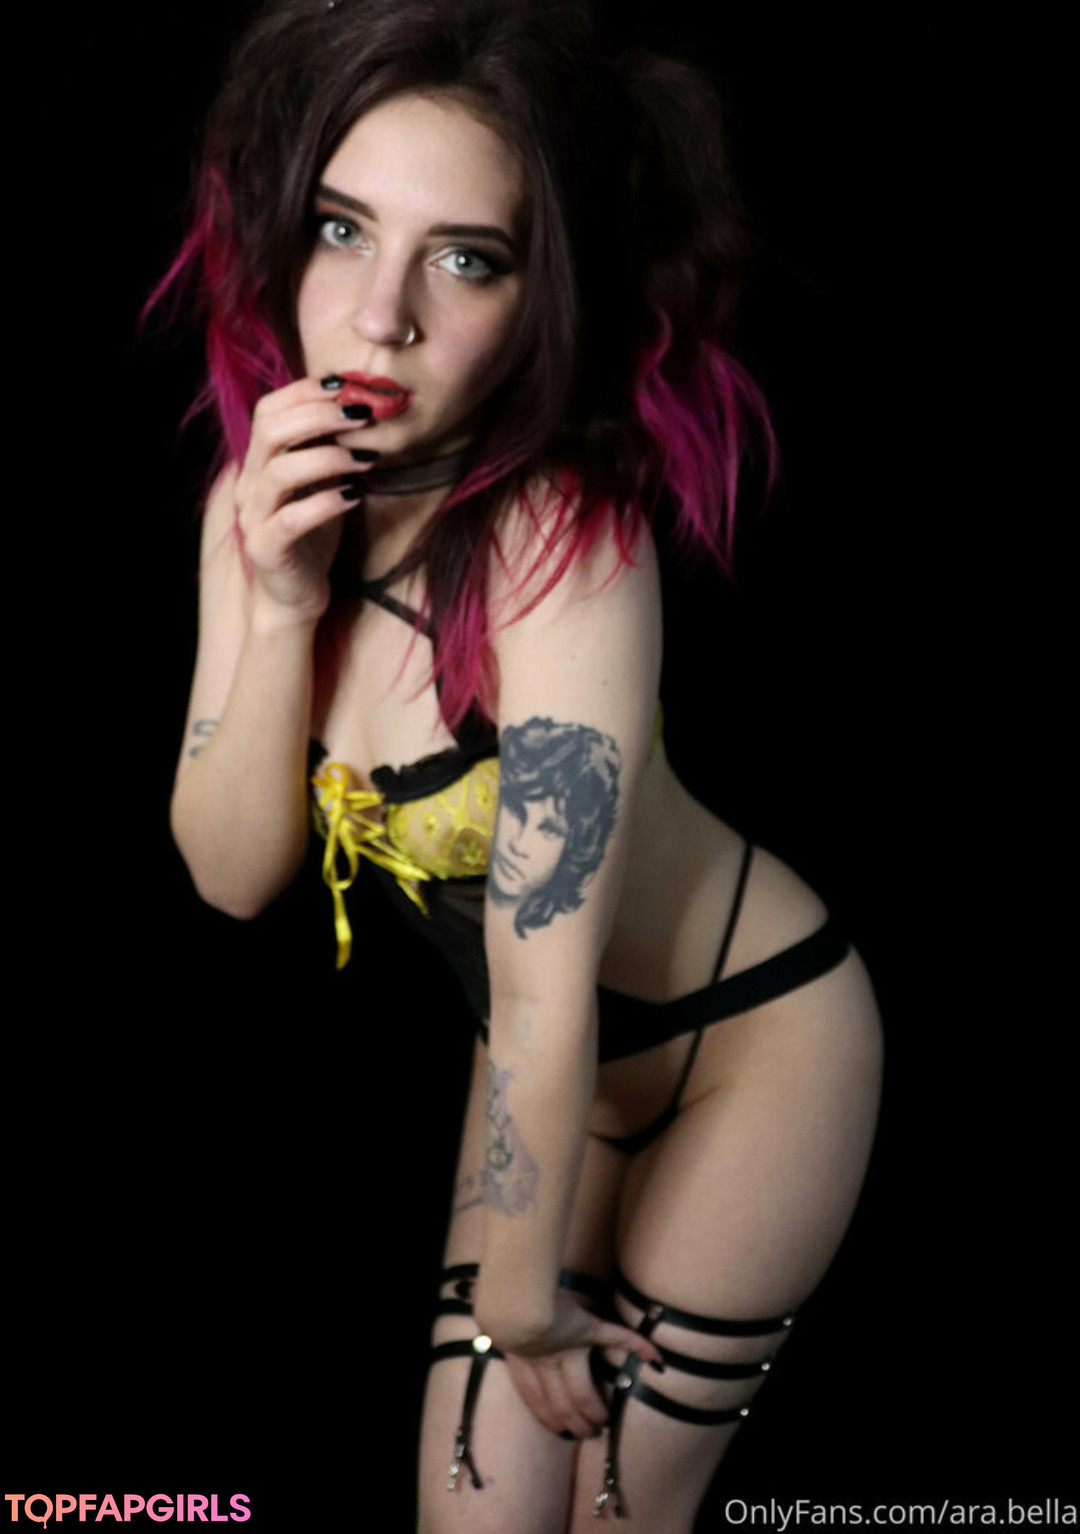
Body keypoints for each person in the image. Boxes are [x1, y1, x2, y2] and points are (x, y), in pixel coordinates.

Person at [162, 0, 883, 1527]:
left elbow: (547, 979)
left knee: (619, 1514)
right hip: (540, 1082)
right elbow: (231, 875)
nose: (379, 319)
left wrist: (521, 1294)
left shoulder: (563, 543)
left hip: (749, 1054)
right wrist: (277, 605)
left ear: (541, 293)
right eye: (345, 230)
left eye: (465, 259)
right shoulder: (256, 502)